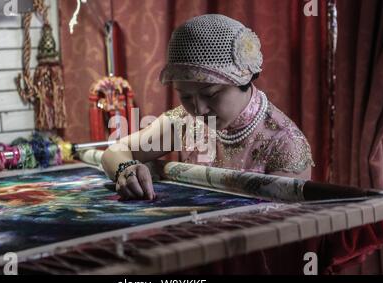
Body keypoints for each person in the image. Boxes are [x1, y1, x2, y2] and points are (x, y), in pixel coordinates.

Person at [101, 14, 314, 200]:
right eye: (185, 96)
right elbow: (116, 151)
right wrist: (126, 170)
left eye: (210, 94)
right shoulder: (187, 122)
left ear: (243, 80)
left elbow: (282, 232)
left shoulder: (285, 144)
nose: (199, 110)